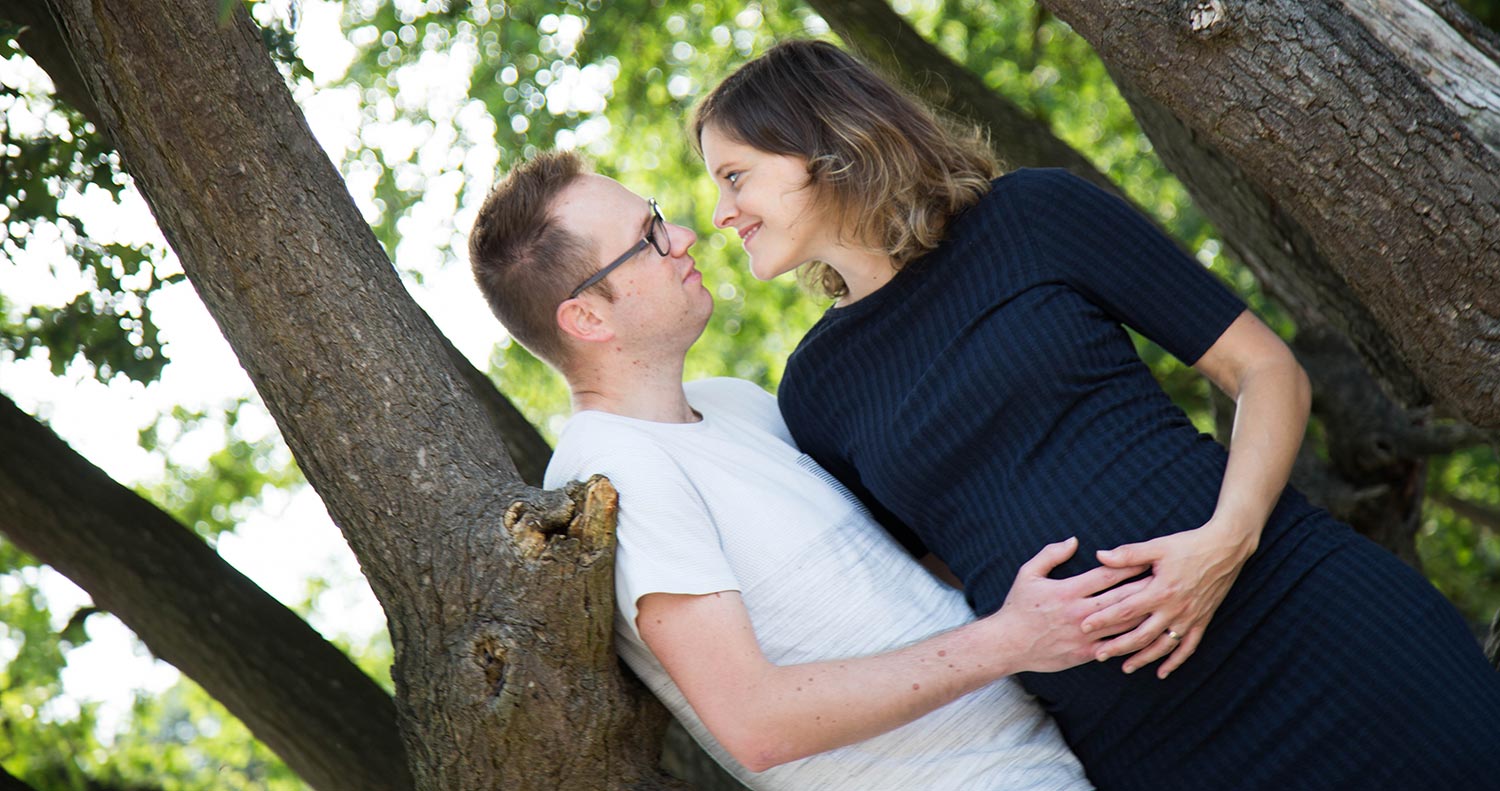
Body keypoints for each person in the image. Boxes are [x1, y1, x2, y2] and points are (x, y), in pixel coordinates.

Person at [692, 39, 1500, 791]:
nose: (721, 212)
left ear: (825, 144)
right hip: (1153, 745)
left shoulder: (1035, 217)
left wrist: (1224, 542)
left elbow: (1266, 370)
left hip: (1313, 626)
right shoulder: (814, 389)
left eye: (735, 174)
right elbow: (925, 577)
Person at [466, 151, 1143, 790]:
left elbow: (903, 562)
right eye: (649, 237)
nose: (686, 234)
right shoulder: (614, 470)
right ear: (586, 315)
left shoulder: (731, 402)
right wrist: (1010, 639)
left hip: (1059, 752)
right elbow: (754, 720)